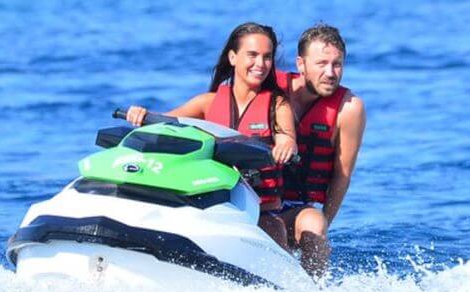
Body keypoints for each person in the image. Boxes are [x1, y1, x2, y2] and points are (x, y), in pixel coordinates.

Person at [126, 22, 297, 241]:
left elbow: (287, 139)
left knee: (275, 230)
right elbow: (164, 123)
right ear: (233, 57)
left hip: (262, 212)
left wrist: (285, 146)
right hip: (219, 208)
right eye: (252, 55)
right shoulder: (207, 103)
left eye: (267, 57)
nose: (260, 64)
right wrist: (141, 115)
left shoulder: (278, 104)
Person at [275, 24, 366, 277]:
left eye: (337, 64)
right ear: (301, 64)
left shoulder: (349, 109)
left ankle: (312, 291)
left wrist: (324, 224)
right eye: (322, 63)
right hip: (258, 199)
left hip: (298, 207)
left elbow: (342, 175)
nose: (330, 73)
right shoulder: (272, 90)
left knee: (314, 225)